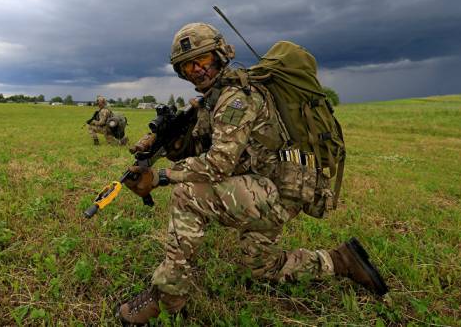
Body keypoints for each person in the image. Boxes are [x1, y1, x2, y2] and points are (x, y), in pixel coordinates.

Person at [117, 23, 388, 324]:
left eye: (202, 61)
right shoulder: (216, 98)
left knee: (187, 195)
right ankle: (340, 261)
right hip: (272, 189)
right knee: (261, 267)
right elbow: (207, 149)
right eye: (187, 66)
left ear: (220, 55)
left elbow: (218, 164)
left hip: (272, 191)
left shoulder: (235, 98)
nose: (196, 70)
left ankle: (167, 296)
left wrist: (161, 177)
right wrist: (178, 145)